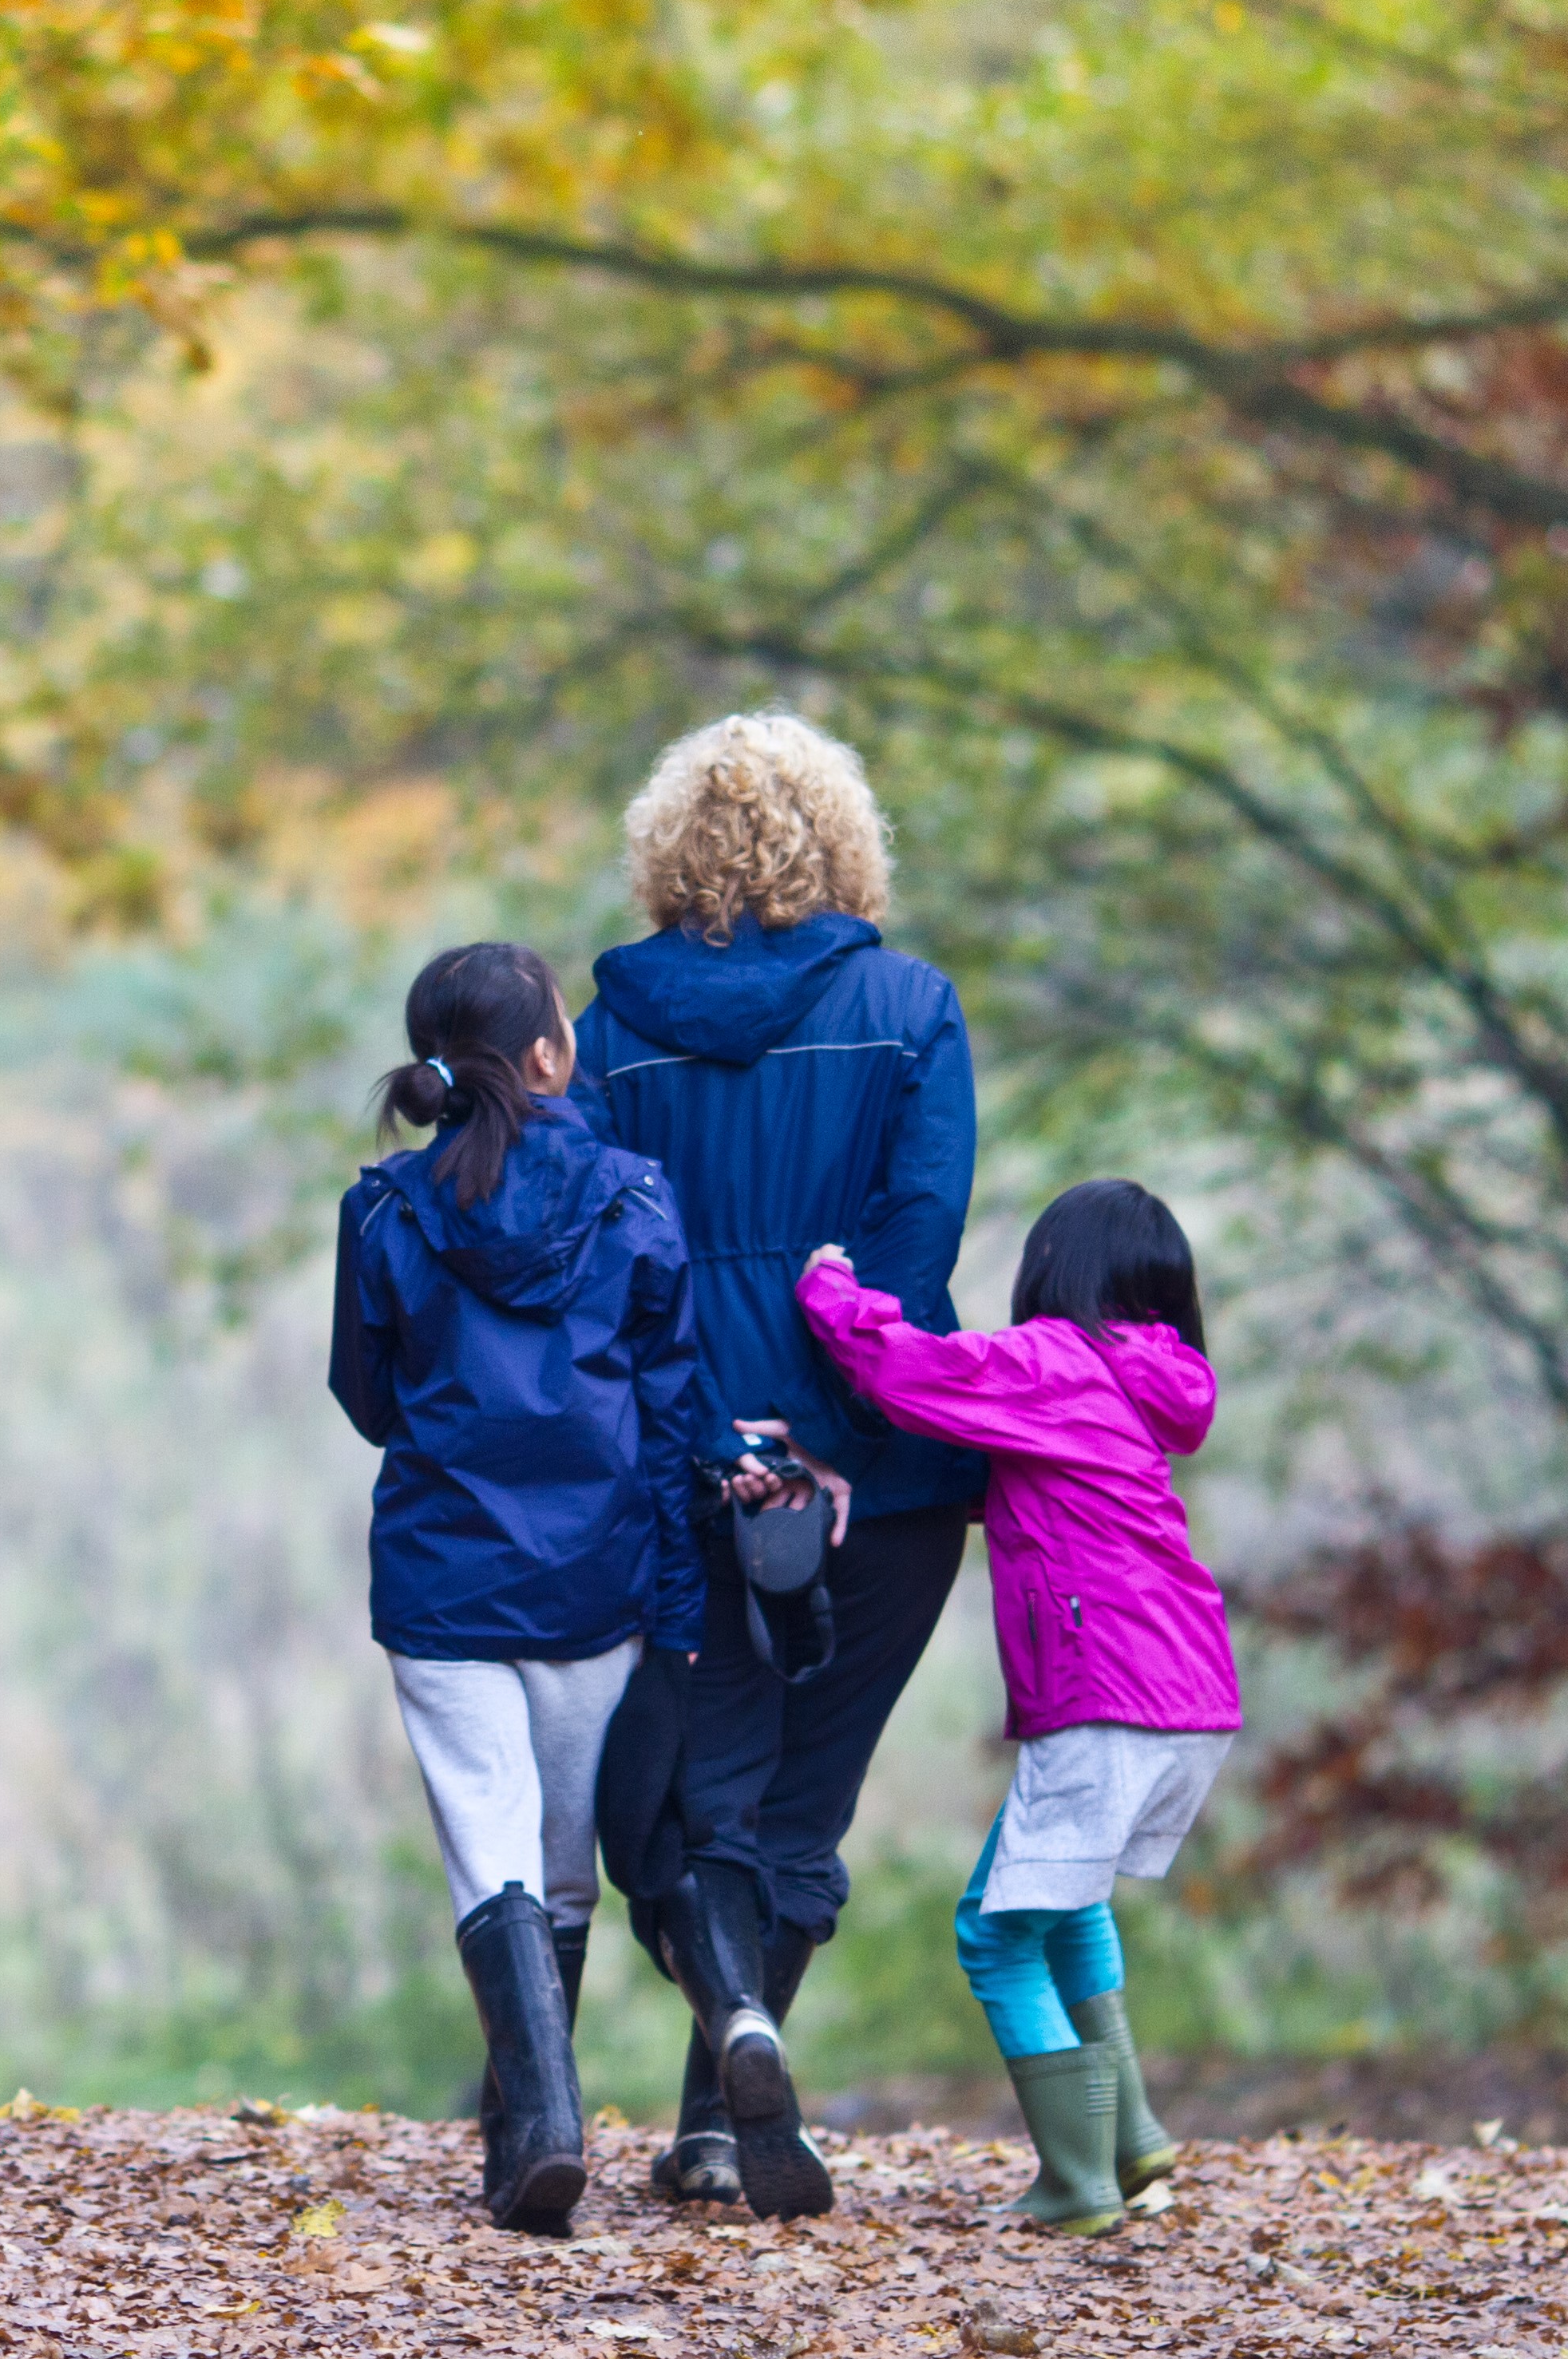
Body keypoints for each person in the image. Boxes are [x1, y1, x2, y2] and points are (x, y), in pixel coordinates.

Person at [575, 712, 982, 2222]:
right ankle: (720, 2118)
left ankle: (719, 2091)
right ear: (843, 837)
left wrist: (725, 1434)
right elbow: (919, 1229)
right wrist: (833, 1416)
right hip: (888, 1458)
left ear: (665, 847)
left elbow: (602, 1252)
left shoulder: (603, 1034)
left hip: (686, 1460)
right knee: (810, 1794)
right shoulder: (911, 1005)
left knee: (709, 1788)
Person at [329, 940, 709, 2234]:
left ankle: (536, 2130)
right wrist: (679, 1598)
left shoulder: (383, 1212)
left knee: (485, 1849)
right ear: (550, 1053)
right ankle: (534, 2132)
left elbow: (366, 1398)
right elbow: (673, 1411)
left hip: (443, 1577)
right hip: (591, 1585)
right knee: (559, 1876)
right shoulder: (635, 1198)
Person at [794, 1181, 1233, 2238]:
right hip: (1189, 1692)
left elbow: (911, 1371)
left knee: (993, 1936)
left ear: (1057, 1271)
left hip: (1105, 1694)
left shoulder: (1052, 1362)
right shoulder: (1146, 1383)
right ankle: (1131, 2143)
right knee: (1069, 1907)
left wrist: (829, 1285)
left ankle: (1077, 2185)